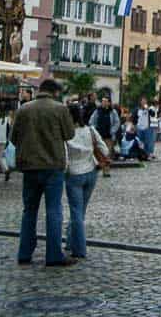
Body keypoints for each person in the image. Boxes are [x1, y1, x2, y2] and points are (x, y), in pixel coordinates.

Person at [11, 79, 76, 267]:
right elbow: (70, 134)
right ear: (54, 92)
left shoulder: (24, 109)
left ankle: (24, 253)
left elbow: (13, 137)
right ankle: (54, 255)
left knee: (29, 211)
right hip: (52, 166)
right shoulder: (59, 109)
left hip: (30, 166)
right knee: (54, 211)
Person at [63, 103, 109, 260]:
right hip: (91, 172)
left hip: (74, 174)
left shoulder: (66, 135)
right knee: (80, 211)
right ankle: (70, 241)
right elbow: (105, 150)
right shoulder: (90, 130)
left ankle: (79, 249)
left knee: (76, 212)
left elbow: (65, 158)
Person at [90, 97, 119, 176]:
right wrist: (94, 130)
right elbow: (91, 121)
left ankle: (106, 171)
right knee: (98, 153)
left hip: (109, 136)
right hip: (99, 136)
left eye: (105, 101)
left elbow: (117, 122)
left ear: (109, 103)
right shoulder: (97, 111)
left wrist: (112, 130)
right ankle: (99, 168)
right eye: (102, 101)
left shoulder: (113, 112)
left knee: (107, 153)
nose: (104, 103)